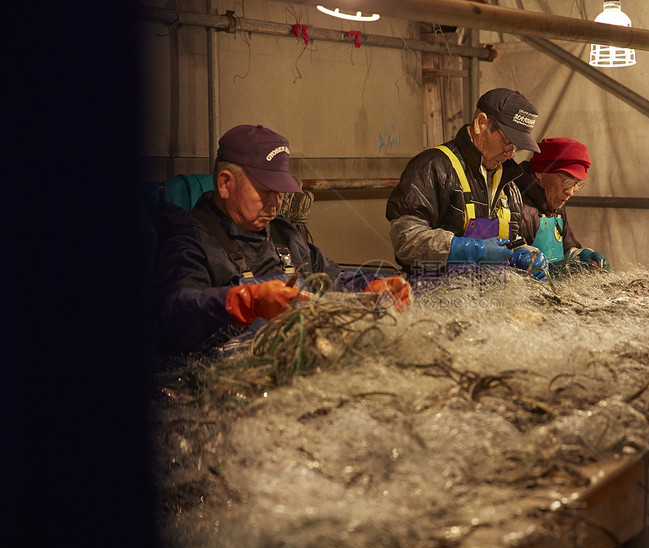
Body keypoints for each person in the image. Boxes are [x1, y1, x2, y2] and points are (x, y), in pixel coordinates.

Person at [152, 124, 411, 354]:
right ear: (225, 184)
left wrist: (370, 287)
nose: (276, 204)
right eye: (266, 191)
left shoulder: (283, 233)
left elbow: (329, 279)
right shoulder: (189, 239)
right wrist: (247, 300)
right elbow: (175, 312)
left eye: (281, 192)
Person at [386, 88, 548, 281]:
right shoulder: (432, 167)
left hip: (490, 302)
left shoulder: (509, 186)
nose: (510, 153)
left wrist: (526, 253)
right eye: (507, 142)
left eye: (516, 147)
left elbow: (510, 242)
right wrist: (467, 250)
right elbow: (406, 240)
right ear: (481, 123)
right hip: (437, 301)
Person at [517, 137, 610, 273]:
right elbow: (511, 258)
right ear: (540, 173)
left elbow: (567, 246)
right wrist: (550, 269)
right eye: (567, 182)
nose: (570, 192)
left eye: (576, 184)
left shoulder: (554, 201)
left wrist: (584, 255)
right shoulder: (516, 202)